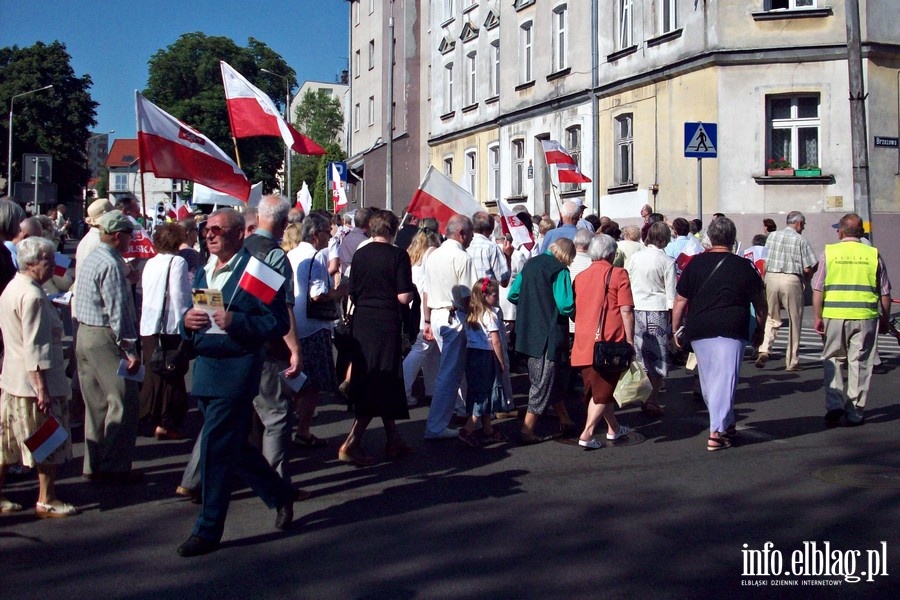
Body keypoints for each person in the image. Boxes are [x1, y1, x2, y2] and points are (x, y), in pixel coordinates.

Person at [176, 208, 295, 557]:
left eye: (218, 229)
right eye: (206, 229)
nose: (209, 234)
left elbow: (275, 324)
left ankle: (208, 529)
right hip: (206, 368)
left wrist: (237, 319)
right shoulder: (204, 269)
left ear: (239, 234)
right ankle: (279, 494)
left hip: (237, 370)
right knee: (233, 447)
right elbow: (194, 315)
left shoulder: (256, 271)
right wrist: (187, 321)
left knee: (215, 448)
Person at [672, 217, 767, 451]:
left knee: (709, 379)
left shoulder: (694, 264)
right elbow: (760, 301)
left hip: (700, 326)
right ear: (732, 239)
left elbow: (680, 300)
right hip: (732, 327)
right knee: (726, 378)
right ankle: (716, 432)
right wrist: (762, 328)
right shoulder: (744, 265)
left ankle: (727, 421)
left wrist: (674, 329)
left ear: (710, 238)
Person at [0, 237, 78, 517]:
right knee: (49, 440)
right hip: (35, 383)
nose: (52, 264)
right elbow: (35, 346)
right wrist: (41, 389)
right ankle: (48, 498)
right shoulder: (32, 295)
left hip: (12, 378)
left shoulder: (13, 287)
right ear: (32, 264)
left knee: (7, 442)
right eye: (48, 260)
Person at [338, 211, 414, 465]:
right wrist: (410, 292)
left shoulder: (360, 254)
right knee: (381, 377)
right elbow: (403, 297)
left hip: (363, 322)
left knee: (379, 378)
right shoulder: (398, 255)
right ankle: (352, 442)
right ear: (392, 230)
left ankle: (394, 439)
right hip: (385, 322)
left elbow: (352, 291)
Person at [73, 211, 143, 482]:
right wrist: (130, 349)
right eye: (128, 235)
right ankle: (114, 466)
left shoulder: (95, 257)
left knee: (96, 404)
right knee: (123, 401)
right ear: (118, 236)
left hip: (85, 333)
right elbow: (119, 311)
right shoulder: (112, 265)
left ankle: (94, 464)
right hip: (105, 337)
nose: (131, 240)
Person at [243, 195, 304, 482]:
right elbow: (282, 305)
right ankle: (275, 483)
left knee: (240, 414)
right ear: (282, 224)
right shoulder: (274, 254)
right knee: (276, 415)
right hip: (267, 344)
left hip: (238, 340)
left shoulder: (240, 247)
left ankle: (198, 478)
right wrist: (294, 348)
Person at [812, 213, 892, 427]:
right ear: (862, 233)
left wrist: (817, 316)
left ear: (840, 231)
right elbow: (884, 291)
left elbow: (818, 287)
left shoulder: (830, 252)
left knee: (833, 358)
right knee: (860, 363)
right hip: (864, 316)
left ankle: (834, 403)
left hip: (834, 315)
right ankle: (855, 411)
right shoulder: (873, 254)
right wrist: (884, 318)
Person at [508, 238, 577, 444]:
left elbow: (513, 294)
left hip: (527, 330)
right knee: (543, 381)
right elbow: (565, 306)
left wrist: (533, 302)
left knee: (548, 378)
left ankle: (565, 419)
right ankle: (527, 429)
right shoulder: (560, 270)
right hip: (549, 333)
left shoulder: (531, 263)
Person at [287, 212, 345, 447]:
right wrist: (341, 292)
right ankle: (303, 431)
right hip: (313, 325)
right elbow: (318, 294)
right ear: (315, 234)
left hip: (293, 323)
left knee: (294, 379)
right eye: (326, 232)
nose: (329, 236)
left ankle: (289, 424)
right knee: (311, 386)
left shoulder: (290, 254)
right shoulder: (317, 257)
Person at [571, 234, 634, 449]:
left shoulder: (580, 277)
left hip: (583, 341)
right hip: (610, 341)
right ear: (610, 253)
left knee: (599, 389)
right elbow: (626, 310)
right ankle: (587, 434)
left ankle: (613, 428)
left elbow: (575, 309)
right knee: (603, 391)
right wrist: (630, 340)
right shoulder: (618, 274)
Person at [422, 214, 478, 439]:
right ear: (462, 233)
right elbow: (466, 294)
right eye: (471, 233)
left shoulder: (434, 254)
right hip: (453, 316)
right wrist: (475, 317)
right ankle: (436, 425)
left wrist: (426, 319)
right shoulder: (462, 257)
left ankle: (450, 415)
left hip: (437, 314)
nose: (472, 237)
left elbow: (426, 290)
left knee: (449, 371)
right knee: (449, 374)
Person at [139, 223, 192, 440]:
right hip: (169, 325)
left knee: (155, 374)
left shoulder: (151, 262)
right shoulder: (177, 262)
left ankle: (153, 417)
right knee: (172, 374)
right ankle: (167, 422)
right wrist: (186, 322)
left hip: (150, 324)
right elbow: (180, 295)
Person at [626, 221, 676, 417]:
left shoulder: (635, 257)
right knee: (657, 356)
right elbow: (671, 294)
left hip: (637, 308)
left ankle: (642, 394)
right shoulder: (667, 261)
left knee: (640, 355)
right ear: (664, 239)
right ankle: (652, 399)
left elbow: (628, 281)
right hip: (657, 309)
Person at [757, 211, 818, 371]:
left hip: (771, 277)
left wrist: (765, 279)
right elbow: (808, 266)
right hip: (791, 279)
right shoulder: (801, 240)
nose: (803, 228)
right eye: (803, 225)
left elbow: (766, 261)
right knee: (794, 320)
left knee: (772, 316)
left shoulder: (772, 236)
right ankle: (792, 361)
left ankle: (764, 349)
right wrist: (809, 276)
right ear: (798, 223)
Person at [458, 278, 507, 447]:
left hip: (472, 355)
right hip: (486, 356)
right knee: (485, 391)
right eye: (494, 295)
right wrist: (501, 362)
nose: (496, 298)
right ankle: (468, 428)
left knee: (478, 389)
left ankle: (488, 429)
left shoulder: (471, 314)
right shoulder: (490, 315)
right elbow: (496, 341)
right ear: (485, 296)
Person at [402, 220, 442, 407]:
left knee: (431, 353)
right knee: (422, 349)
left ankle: (431, 390)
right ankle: (402, 389)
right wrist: (428, 319)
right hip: (427, 309)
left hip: (417, 308)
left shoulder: (413, 256)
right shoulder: (430, 256)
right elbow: (428, 289)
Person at [467, 211, 510, 286]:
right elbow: (504, 281)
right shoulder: (492, 248)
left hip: (467, 294)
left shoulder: (465, 245)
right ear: (492, 229)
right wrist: (508, 257)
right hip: (486, 295)